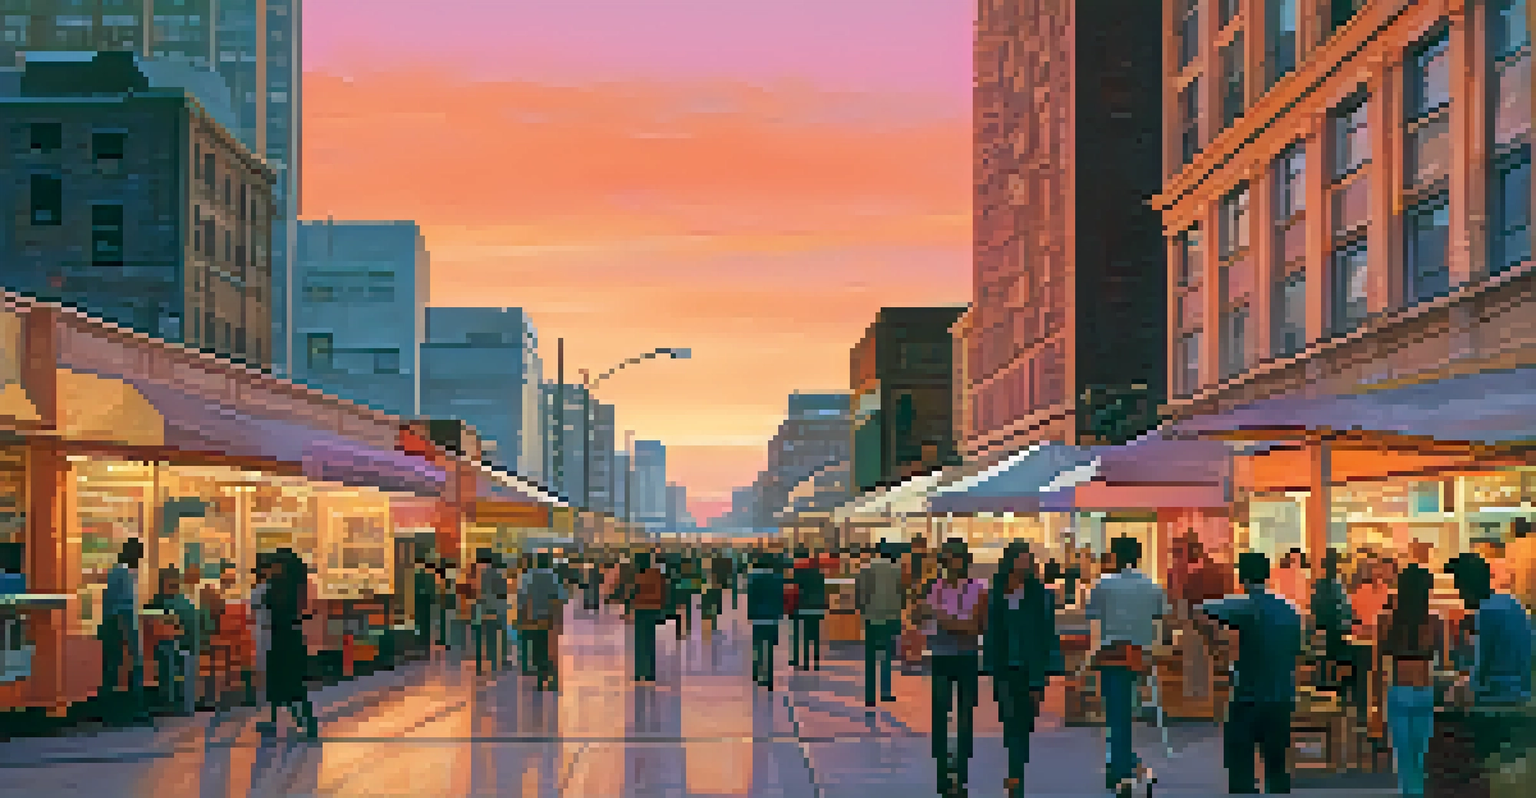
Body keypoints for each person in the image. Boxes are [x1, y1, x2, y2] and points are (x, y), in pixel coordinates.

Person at [1197, 552, 1303, 795]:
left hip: (1248, 696)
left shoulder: (1244, 605)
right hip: (1282, 696)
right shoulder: (1290, 610)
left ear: (1242, 576)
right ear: (1267, 575)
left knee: (1241, 765)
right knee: (1277, 766)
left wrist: (1216, 649)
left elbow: (1200, 611)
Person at [1085, 535, 1168, 795]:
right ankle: (1125, 762)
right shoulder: (1152, 586)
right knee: (1126, 710)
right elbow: (1161, 619)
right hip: (1140, 656)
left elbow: (1093, 617)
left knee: (1116, 713)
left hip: (1111, 654)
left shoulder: (1103, 585)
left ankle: (1122, 768)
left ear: (1114, 557)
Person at [986, 541, 1061, 798]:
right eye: (1020, 559)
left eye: (1028, 560)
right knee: (1010, 720)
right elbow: (991, 632)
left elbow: (1048, 632)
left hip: (1031, 668)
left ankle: (1017, 769)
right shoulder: (997, 593)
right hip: (1005, 667)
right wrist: (988, 665)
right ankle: (1014, 774)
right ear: (1010, 562)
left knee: (1026, 721)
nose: (1025, 564)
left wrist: (1048, 668)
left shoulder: (1040, 595)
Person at [926, 539, 987, 797]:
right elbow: (925, 618)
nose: (952, 562)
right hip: (942, 656)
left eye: (956, 557)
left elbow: (975, 627)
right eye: (948, 557)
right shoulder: (936, 587)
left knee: (964, 716)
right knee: (940, 715)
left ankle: (960, 771)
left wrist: (946, 621)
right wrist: (957, 622)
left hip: (966, 656)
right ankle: (942, 770)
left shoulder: (978, 588)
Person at [1381, 564, 1440, 798]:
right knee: (1423, 758)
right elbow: (1444, 662)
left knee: (1404, 760)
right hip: (1425, 691)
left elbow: (1377, 668)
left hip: (1398, 691)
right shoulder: (1434, 621)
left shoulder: (1388, 621)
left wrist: (1374, 705)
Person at [262, 549, 317, 740]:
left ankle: (281, 720)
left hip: (281, 638)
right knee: (295, 684)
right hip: (293, 636)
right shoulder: (297, 585)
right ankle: (305, 721)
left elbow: (270, 606)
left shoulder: (277, 585)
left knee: (281, 681)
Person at [855, 541, 904, 707]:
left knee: (870, 657)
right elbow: (902, 594)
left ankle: (870, 695)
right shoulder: (897, 570)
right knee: (886, 656)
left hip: (872, 617)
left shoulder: (866, 569)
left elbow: (861, 592)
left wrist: (862, 609)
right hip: (891, 617)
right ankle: (885, 691)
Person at [146, 565, 199, 715]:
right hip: (167, 646)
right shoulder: (175, 602)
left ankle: (167, 700)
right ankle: (166, 699)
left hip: (180, 647)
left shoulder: (181, 604)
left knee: (166, 652)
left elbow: (186, 633)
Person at [518, 551, 567, 690]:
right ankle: (552, 680)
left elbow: (522, 599)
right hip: (549, 619)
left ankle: (540, 679)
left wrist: (523, 617)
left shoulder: (528, 577)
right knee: (550, 649)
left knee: (537, 649)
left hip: (534, 619)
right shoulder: (553, 577)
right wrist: (559, 619)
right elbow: (559, 599)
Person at [746, 550, 785, 690]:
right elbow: (781, 598)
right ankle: (768, 678)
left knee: (757, 645)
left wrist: (750, 615)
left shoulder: (753, 579)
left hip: (758, 617)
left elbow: (751, 599)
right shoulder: (778, 578)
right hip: (773, 617)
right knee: (769, 648)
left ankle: (756, 671)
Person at [629, 551, 666, 683]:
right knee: (650, 641)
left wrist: (636, 602)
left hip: (641, 610)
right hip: (653, 610)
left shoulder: (638, 577)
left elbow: (632, 594)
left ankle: (639, 672)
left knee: (639, 642)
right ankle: (650, 672)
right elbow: (662, 593)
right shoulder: (657, 575)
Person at [794, 548, 828, 671]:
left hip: (805, 607)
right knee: (816, 636)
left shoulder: (800, 574)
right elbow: (823, 591)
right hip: (817, 607)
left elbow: (796, 590)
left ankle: (807, 663)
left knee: (806, 636)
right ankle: (817, 662)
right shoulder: (819, 574)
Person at [413, 555, 436, 656]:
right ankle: (425, 646)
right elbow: (431, 591)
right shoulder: (428, 576)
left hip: (419, 604)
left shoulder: (416, 576)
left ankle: (422, 646)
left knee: (420, 625)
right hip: (425, 604)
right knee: (426, 626)